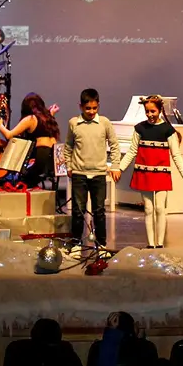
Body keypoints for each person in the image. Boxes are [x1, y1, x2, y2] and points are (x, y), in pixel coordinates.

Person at [118, 95, 183, 248]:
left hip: (161, 173)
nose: (150, 115)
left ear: (159, 110)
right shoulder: (140, 128)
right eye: (147, 112)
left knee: (159, 208)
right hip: (144, 173)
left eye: (153, 111)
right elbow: (132, 151)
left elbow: (176, 155)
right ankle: (151, 244)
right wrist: (120, 168)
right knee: (148, 208)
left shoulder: (167, 130)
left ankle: (160, 243)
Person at [62, 88, 121, 254]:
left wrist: (115, 165)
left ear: (98, 106)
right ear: (80, 107)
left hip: (99, 173)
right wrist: (69, 166)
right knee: (78, 210)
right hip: (79, 173)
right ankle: (75, 243)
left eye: (95, 108)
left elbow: (114, 145)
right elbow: (68, 147)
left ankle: (101, 244)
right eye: (88, 108)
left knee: (99, 211)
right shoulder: (74, 123)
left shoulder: (104, 123)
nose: (91, 112)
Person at [0, 93, 60, 190]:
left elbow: (9, 135)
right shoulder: (48, 118)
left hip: (42, 157)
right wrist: (51, 113)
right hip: (54, 159)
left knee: (17, 181)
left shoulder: (30, 119)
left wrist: (0, 125)